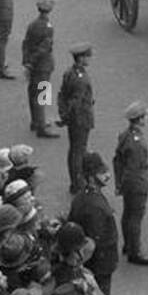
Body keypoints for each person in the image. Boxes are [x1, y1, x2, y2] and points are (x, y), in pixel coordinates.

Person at [68, 153, 119, 295]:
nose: (107, 175)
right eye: (102, 173)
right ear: (91, 177)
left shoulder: (85, 196)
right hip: (99, 263)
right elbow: (95, 238)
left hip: (97, 261)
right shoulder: (93, 204)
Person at [113, 101, 148, 265]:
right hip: (137, 182)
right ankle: (134, 251)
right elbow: (134, 167)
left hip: (127, 181)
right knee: (135, 216)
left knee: (128, 214)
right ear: (140, 119)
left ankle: (128, 244)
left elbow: (118, 161)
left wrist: (119, 183)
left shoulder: (125, 135)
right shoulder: (136, 142)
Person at [57, 43, 96, 193]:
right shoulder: (81, 78)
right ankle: (78, 183)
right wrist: (66, 117)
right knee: (78, 152)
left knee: (74, 150)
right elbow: (76, 101)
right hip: (80, 118)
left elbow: (62, 95)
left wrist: (62, 114)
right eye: (87, 56)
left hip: (73, 118)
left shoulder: (69, 72)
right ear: (80, 58)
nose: (89, 59)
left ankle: (75, 181)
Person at [21, 0, 58, 137]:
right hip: (43, 66)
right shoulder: (48, 28)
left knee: (32, 92)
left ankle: (35, 121)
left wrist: (27, 62)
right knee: (42, 95)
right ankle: (42, 126)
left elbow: (25, 44)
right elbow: (44, 48)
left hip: (34, 65)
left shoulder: (32, 25)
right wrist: (32, 62)